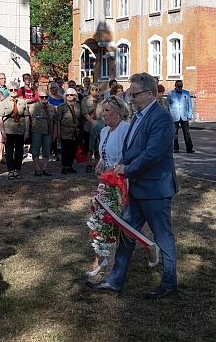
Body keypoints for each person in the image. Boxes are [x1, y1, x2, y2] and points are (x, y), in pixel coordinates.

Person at [85, 73, 178, 299]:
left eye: (135, 94)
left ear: (150, 93)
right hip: (136, 189)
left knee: (163, 237)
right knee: (126, 234)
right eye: (130, 94)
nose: (131, 99)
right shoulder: (138, 117)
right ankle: (115, 281)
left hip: (155, 190)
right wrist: (122, 165)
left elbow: (153, 154)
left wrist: (127, 169)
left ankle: (169, 283)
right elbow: (132, 150)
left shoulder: (161, 118)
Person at [87, 95, 131, 277]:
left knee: (120, 220)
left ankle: (150, 247)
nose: (103, 114)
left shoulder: (126, 129)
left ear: (119, 112)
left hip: (121, 182)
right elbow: (104, 155)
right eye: (102, 110)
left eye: (107, 111)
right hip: (106, 181)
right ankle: (102, 257)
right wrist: (100, 163)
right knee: (101, 217)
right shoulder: (105, 131)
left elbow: (128, 155)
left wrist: (115, 167)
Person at [0, 82, 28, 180]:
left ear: (18, 90)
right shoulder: (4, 102)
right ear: (8, 90)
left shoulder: (23, 102)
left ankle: (17, 170)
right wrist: (2, 132)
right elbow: (0, 118)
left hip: (20, 129)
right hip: (8, 130)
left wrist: (27, 131)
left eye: (15, 90)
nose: (13, 92)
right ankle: (10, 170)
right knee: (9, 151)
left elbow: (27, 117)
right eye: (11, 90)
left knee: (19, 151)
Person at [29, 89, 57, 176]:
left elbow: (55, 122)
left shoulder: (52, 107)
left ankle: (45, 168)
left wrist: (55, 133)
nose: (44, 98)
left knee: (47, 151)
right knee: (35, 150)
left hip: (48, 131)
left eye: (46, 97)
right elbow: (29, 119)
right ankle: (37, 168)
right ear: (39, 98)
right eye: (42, 97)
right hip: (37, 131)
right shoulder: (34, 107)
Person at [57, 88, 81, 174]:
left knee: (72, 149)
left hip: (75, 131)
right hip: (65, 130)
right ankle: (64, 166)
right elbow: (58, 120)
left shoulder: (78, 106)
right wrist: (58, 132)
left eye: (72, 95)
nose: (70, 96)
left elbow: (80, 118)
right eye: (68, 95)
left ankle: (70, 166)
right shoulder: (61, 107)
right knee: (65, 149)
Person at [168, 80, 195, 154]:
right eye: (178, 86)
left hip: (184, 116)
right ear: (175, 86)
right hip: (174, 116)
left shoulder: (186, 93)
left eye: (181, 86)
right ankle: (175, 148)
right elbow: (168, 105)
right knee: (174, 133)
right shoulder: (170, 94)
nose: (180, 88)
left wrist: (189, 115)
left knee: (187, 133)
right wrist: (169, 115)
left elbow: (189, 105)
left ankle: (189, 148)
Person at [81, 84, 103, 173]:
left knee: (98, 146)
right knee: (89, 147)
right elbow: (85, 113)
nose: (97, 91)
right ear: (90, 90)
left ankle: (97, 165)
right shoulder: (85, 100)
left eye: (98, 89)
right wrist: (92, 122)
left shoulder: (101, 101)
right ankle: (89, 164)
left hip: (99, 125)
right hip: (89, 126)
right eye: (94, 89)